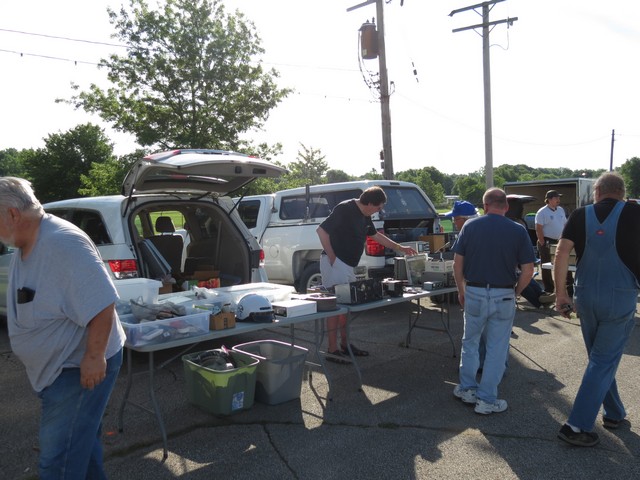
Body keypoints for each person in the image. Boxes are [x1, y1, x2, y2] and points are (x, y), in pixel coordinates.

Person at [0, 177, 126, 478]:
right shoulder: (27, 242)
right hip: (58, 370)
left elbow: (102, 303)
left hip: (75, 369)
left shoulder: (62, 243)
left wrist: (94, 357)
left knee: (57, 460)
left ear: (13, 214)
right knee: (81, 445)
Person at [554, 172, 640, 447]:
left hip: (586, 296)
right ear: (622, 193)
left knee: (599, 359)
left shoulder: (580, 215)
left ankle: (614, 413)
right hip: (620, 298)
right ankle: (576, 426)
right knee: (603, 360)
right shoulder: (635, 213)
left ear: (598, 192)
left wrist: (561, 294)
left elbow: (561, 253)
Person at [451, 188, 536, 414]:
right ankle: (487, 399)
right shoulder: (518, 230)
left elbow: (457, 264)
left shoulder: (470, 226)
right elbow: (528, 270)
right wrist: (516, 292)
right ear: (506, 207)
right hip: (503, 294)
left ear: (485, 206)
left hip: (474, 291)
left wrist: (461, 290)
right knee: (497, 349)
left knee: (470, 343)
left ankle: (467, 389)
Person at [317, 186, 416, 363]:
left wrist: (400, 247)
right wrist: (332, 257)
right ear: (369, 203)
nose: (379, 210)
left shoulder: (365, 215)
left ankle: (345, 345)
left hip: (348, 265)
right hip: (335, 263)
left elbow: (375, 235)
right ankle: (332, 349)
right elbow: (322, 230)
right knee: (335, 307)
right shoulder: (345, 208)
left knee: (346, 306)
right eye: (378, 207)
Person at [446, 200, 553, 310]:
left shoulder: (468, 231)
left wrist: (461, 292)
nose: (454, 223)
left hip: (479, 288)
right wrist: (515, 294)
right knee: (520, 275)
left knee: (520, 275)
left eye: (455, 219)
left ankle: (540, 298)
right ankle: (540, 298)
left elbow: (457, 265)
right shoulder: (492, 227)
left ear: (465, 219)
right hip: (503, 286)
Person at [535, 190, 573, 295]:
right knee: (546, 265)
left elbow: (565, 224)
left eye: (559, 198)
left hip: (560, 241)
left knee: (566, 262)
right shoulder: (542, 212)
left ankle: (569, 286)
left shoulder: (560, 210)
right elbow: (538, 228)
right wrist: (542, 242)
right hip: (547, 240)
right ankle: (549, 289)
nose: (558, 200)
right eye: (556, 198)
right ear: (549, 199)